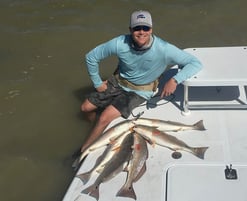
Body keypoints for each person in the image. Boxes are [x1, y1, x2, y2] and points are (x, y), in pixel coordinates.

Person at [80, 10, 202, 152]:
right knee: (85, 108)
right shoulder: (119, 43)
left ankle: (84, 151)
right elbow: (91, 57)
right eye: (137, 28)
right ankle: (93, 128)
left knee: (104, 118)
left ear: (151, 29)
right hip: (119, 81)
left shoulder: (164, 49)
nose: (141, 32)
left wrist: (175, 80)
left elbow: (195, 63)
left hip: (139, 91)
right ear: (130, 30)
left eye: (146, 28)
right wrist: (97, 83)